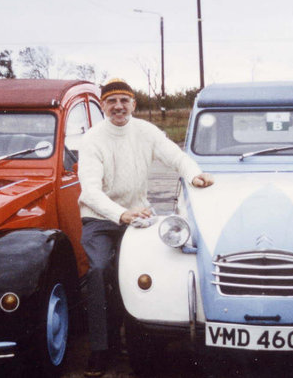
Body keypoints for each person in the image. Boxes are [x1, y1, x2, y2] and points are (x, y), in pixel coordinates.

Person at [78, 79, 213, 377]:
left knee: (143, 275)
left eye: (124, 101)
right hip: (100, 219)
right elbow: (89, 192)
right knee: (100, 271)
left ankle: (137, 342)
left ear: (133, 104)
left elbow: (176, 157)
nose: (118, 107)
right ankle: (101, 350)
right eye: (111, 102)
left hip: (138, 217)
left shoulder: (146, 131)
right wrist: (122, 214)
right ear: (103, 106)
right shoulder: (92, 140)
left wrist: (195, 175)